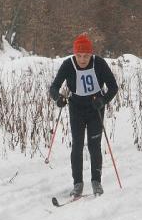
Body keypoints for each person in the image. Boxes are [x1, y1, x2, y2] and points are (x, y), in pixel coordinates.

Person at [49, 34, 118, 197]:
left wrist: (103, 100)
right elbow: (53, 87)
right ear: (74, 54)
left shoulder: (99, 63)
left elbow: (113, 87)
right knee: (77, 146)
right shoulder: (68, 64)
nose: (82, 59)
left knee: (94, 146)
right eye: (79, 55)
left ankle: (96, 182)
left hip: (95, 110)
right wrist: (58, 99)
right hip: (76, 110)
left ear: (91, 54)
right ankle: (78, 184)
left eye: (86, 56)